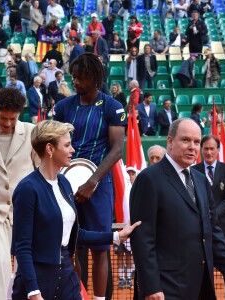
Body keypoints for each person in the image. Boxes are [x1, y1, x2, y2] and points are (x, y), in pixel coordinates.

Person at [11, 120, 141, 300]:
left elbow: (72, 233)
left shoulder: (64, 183)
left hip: (67, 277)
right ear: (50, 149)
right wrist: (34, 293)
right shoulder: (27, 189)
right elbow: (22, 247)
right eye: (67, 145)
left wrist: (116, 236)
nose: (73, 149)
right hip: (37, 282)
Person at [130, 119, 225, 299]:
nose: (192, 147)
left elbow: (211, 230)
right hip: (165, 287)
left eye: (196, 142)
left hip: (201, 285)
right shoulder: (149, 179)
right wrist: (151, 286)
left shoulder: (200, 180)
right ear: (170, 142)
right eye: (185, 140)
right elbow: (143, 239)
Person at [54, 53, 127, 300]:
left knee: (99, 249)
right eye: (73, 76)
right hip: (66, 185)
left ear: (95, 78)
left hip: (99, 185)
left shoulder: (112, 106)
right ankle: (75, 296)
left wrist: (92, 182)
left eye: (80, 77)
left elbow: (117, 150)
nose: (75, 81)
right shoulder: (63, 107)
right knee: (68, 247)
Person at [0, 87, 40, 300]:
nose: (8, 123)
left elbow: (42, 172)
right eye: (3, 118)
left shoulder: (32, 132)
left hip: (27, 212)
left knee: (30, 273)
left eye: (13, 118)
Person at [192, 134, 225, 300]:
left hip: (224, 228)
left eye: (212, 148)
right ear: (201, 150)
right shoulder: (194, 170)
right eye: (206, 149)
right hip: (199, 230)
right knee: (203, 267)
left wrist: (212, 215)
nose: (209, 152)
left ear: (218, 150)